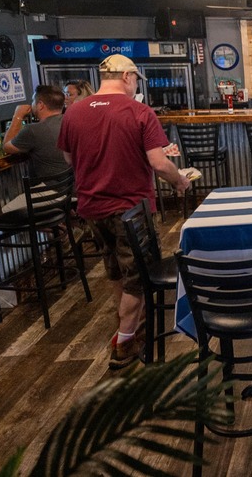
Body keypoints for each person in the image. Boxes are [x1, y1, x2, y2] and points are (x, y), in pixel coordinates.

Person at [57, 55, 191, 369]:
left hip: (91, 206)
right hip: (129, 208)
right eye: (135, 82)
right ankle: (125, 340)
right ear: (128, 77)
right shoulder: (138, 111)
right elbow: (159, 163)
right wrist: (179, 180)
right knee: (139, 274)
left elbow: (67, 158)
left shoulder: (74, 111)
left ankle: (132, 324)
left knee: (115, 269)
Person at [2, 85, 69, 178]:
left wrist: (17, 116)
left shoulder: (33, 130)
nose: (32, 103)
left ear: (40, 105)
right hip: (73, 186)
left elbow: (6, 147)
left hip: (51, 189)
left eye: (33, 101)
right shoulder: (71, 121)